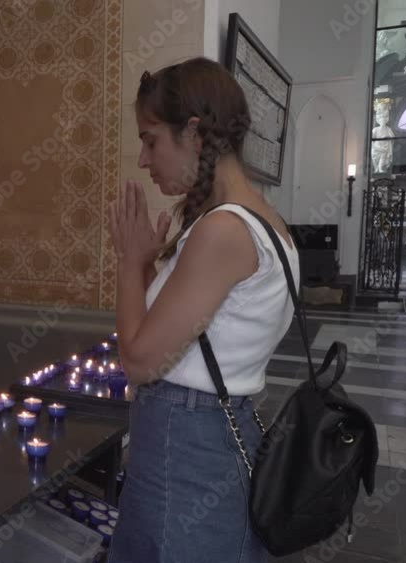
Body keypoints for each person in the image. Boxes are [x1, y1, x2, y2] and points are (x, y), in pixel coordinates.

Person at [106, 57, 299, 563]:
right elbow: (176, 332)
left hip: (189, 447)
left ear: (192, 132)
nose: (143, 160)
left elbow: (139, 360)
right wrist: (145, 264)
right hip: (198, 438)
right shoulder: (259, 221)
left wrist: (128, 262)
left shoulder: (224, 231)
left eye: (150, 141)